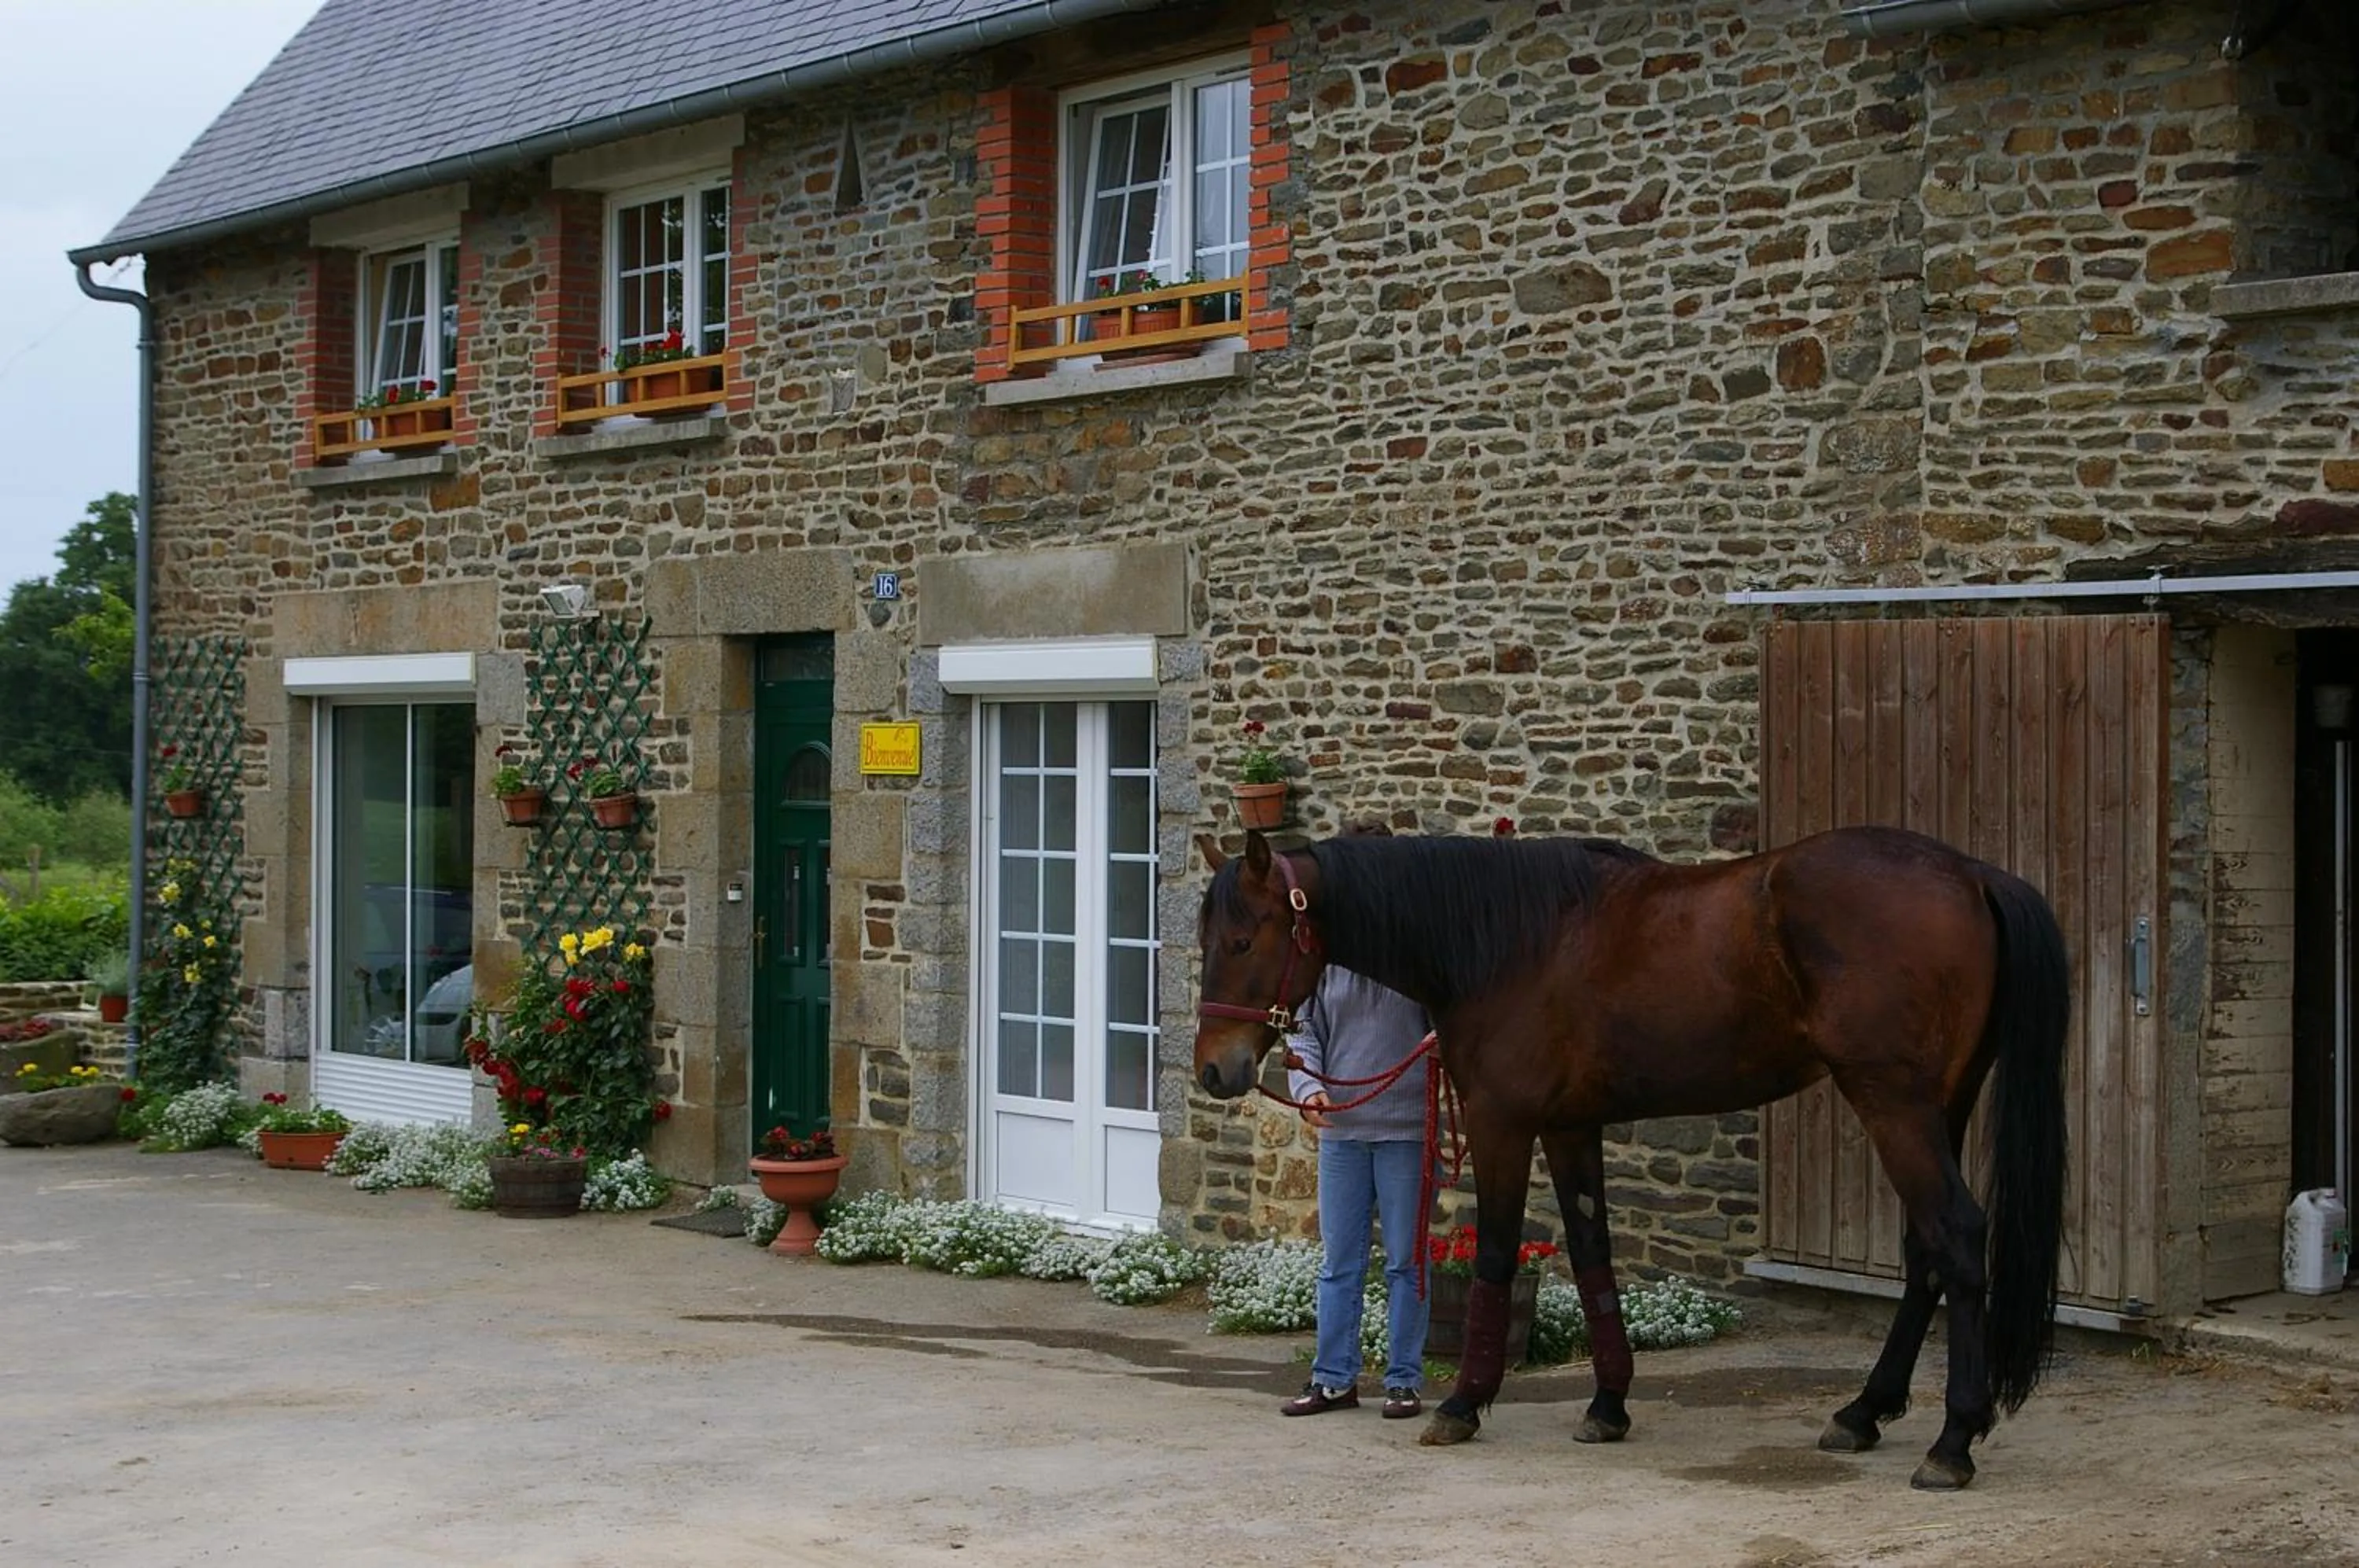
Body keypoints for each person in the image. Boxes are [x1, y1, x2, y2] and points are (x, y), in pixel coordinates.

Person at [1280, 825, 1436, 1420]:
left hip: (1405, 1130)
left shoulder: (1417, 947)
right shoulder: (1325, 954)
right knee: (1340, 1263)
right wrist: (1310, 1088)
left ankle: (1403, 1380)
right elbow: (1302, 1028)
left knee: (1405, 1261)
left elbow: (1447, 1022)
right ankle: (1334, 1379)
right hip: (1343, 1132)